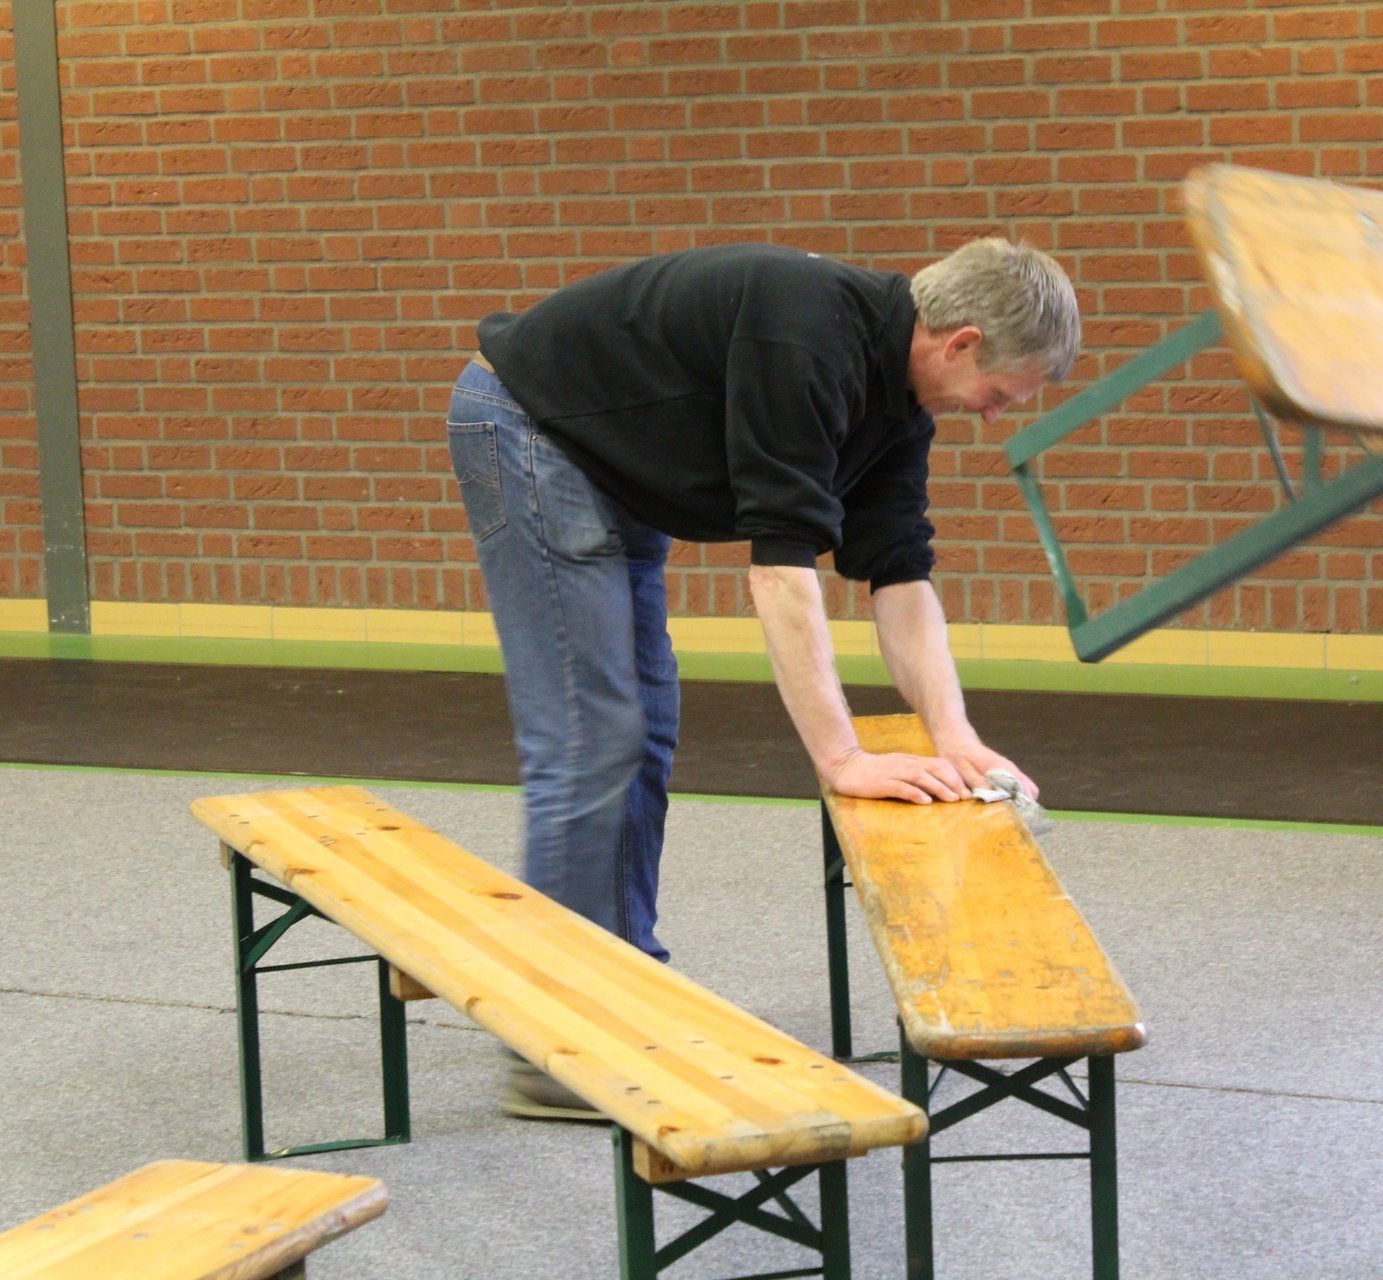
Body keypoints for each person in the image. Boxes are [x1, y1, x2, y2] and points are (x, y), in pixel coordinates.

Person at [445, 238, 1080, 1118]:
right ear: (961, 342)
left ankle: (622, 982)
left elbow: (899, 573)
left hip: (605, 459)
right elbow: (781, 573)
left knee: (643, 728)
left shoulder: (898, 406)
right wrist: (842, 756)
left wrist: (956, 734)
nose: (994, 414)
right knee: (592, 738)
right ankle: (553, 1049)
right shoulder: (808, 337)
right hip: (531, 428)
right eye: (1001, 393)